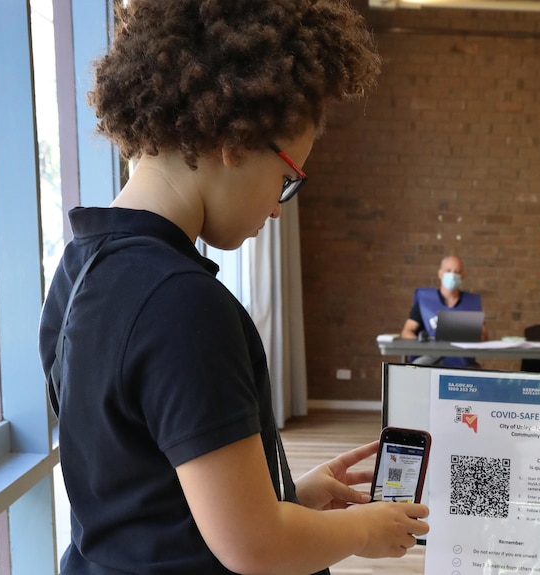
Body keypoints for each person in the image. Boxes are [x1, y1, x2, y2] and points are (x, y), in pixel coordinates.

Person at [38, 1, 429, 574]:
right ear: (237, 141)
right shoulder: (181, 304)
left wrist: (292, 498)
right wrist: (359, 529)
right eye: (288, 179)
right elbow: (253, 546)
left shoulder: (78, 270)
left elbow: (149, 498)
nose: (276, 208)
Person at [400, 255, 488, 367]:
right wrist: (425, 345)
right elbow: (406, 332)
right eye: (448, 270)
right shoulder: (425, 301)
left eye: (457, 271)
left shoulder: (471, 303)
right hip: (429, 359)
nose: (452, 275)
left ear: (463, 276)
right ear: (440, 274)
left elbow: (484, 334)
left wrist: (478, 336)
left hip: (462, 361)